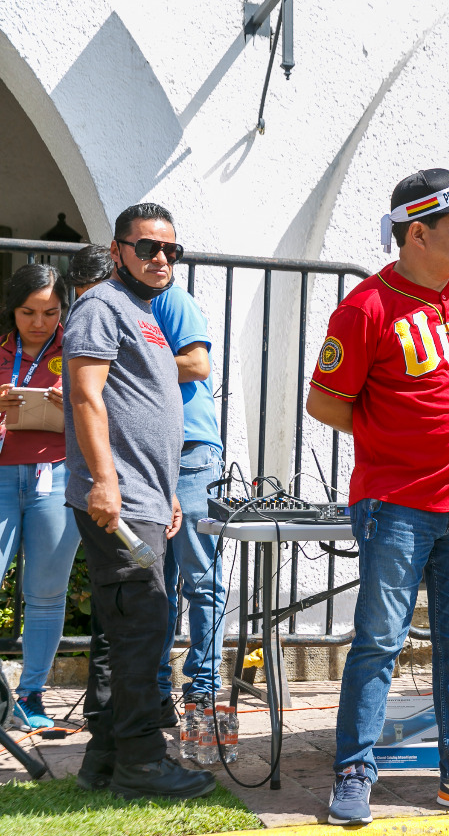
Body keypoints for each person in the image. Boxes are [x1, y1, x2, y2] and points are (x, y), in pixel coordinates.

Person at [306, 169, 449, 824]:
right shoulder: (366, 308)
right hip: (397, 504)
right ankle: (355, 770)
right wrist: (393, 435)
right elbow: (324, 402)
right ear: (417, 233)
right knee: (379, 640)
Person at [63, 203, 215, 799]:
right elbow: (85, 396)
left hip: (150, 495)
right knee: (142, 624)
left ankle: (103, 763)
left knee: (136, 625)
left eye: (170, 251)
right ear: (118, 248)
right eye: (147, 247)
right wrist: (105, 481)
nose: (160, 259)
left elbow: (149, 409)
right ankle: (143, 765)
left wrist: (170, 491)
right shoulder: (101, 305)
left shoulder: (145, 313)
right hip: (118, 497)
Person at [0, 264, 80, 731]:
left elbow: (106, 407)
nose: (38, 323)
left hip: (57, 472)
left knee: (47, 594)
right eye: (28, 311)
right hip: (3, 473)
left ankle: (31, 696)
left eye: (51, 312)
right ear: (12, 308)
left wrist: (68, 402)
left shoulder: (77, 347)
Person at [151, 282, 226, 722]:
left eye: (167, 250)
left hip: (190, 452)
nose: (160, 259)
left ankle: (203, 694)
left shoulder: (170, 299)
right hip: (147, 452)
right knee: (155, 583)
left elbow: (197, 364)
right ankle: (158, 694)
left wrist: (128, 365)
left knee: (200, 580)